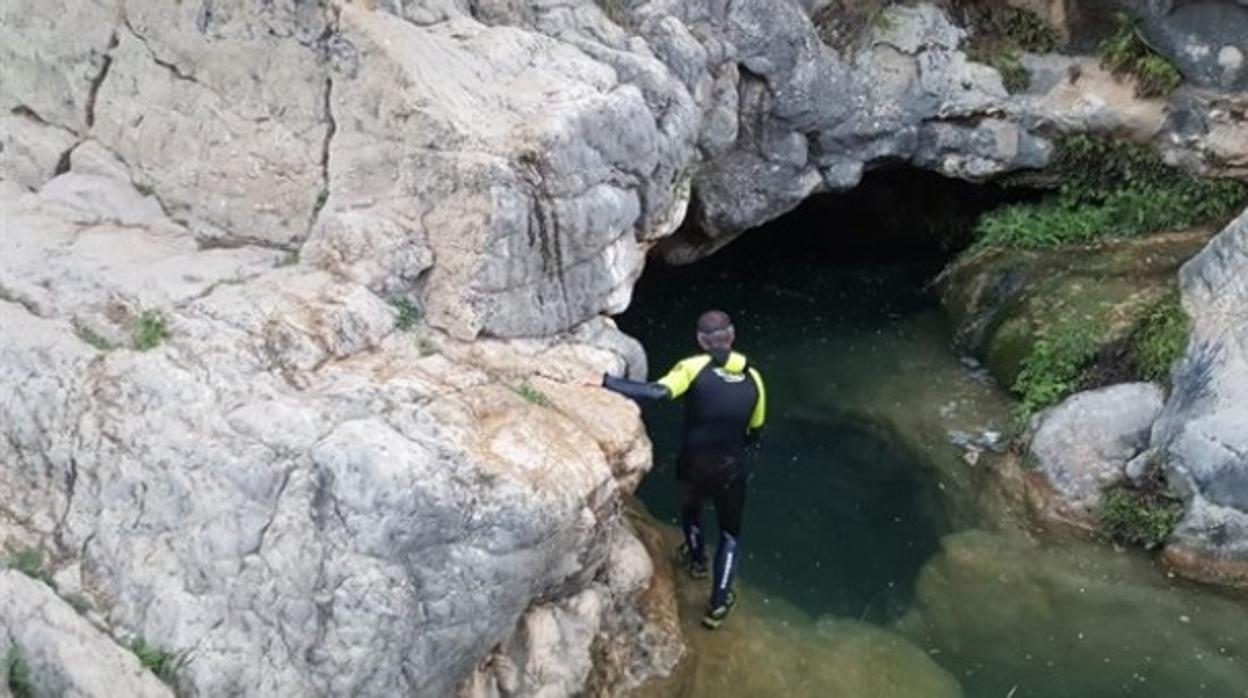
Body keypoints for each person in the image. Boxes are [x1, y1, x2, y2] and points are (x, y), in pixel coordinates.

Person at [600, 309, 766, 629]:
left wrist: (606, 381)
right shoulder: (754, 377)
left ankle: (697, 561)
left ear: (700, 341)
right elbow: (755, 432)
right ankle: (718, 605)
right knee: (730, 535)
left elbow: (657, 392)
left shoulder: (692, 367)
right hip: (730, 468)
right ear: (732, 337)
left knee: (691, 511)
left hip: (694, 463)